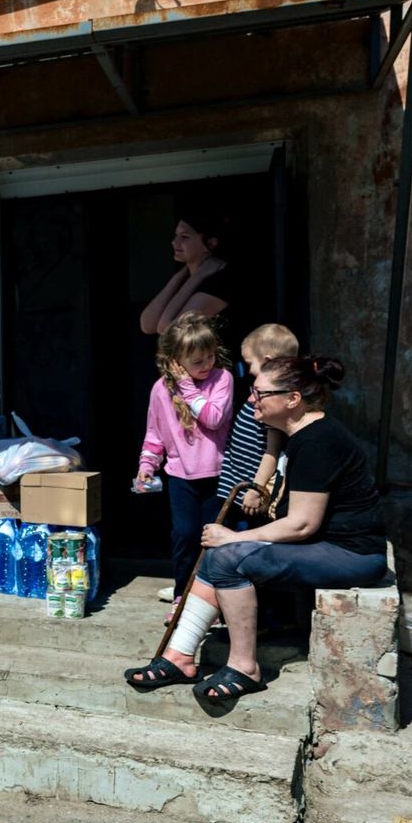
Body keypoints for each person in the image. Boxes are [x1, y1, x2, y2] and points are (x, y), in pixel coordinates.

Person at [124, 356, 388, 700]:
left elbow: (302, 524)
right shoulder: (302, 434)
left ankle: (245, 667)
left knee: (228, 557)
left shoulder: (318, 441)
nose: (251, 400)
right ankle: (179, 656)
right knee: (218, 556)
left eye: (260, 393)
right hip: (330, 547)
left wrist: (235, 536)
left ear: (292, 399)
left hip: (353, 555)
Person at [133, 313, 235, 615]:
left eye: (210, 357)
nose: (206, 365)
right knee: (185, 535)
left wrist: (188, 387)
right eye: (197, 361)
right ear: (175, 361)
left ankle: (214, 601)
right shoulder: (160, 390)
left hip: (218, 474)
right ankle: (183, 596)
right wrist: (147, 463)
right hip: (181, 476)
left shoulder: (222, 379)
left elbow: (214, 418)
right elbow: (155, 433)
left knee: (215, 539)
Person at [138, 209, 232, 336]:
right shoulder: (186, 276)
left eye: (184, 237)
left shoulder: (220, 281)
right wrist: (180, 277)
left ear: (210, 243)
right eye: (176, 235)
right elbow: (147, 325)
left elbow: (167, 329)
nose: (174, 242)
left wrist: (197, 276)